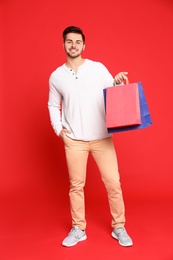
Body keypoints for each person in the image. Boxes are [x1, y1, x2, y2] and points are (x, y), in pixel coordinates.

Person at [48, 26, 133, 248]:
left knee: (113, 183)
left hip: (101, 138)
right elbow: (53, 104)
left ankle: (119, 226)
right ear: (64, 44)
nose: (73, 45)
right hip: (74, 139)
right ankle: (78, 228)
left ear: (84, 45)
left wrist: (117, 80)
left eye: (77, 41)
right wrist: (59, 130)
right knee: (76, 185)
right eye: (69, 41)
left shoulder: (97, 68)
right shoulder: (56, 76)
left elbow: (111, 91)